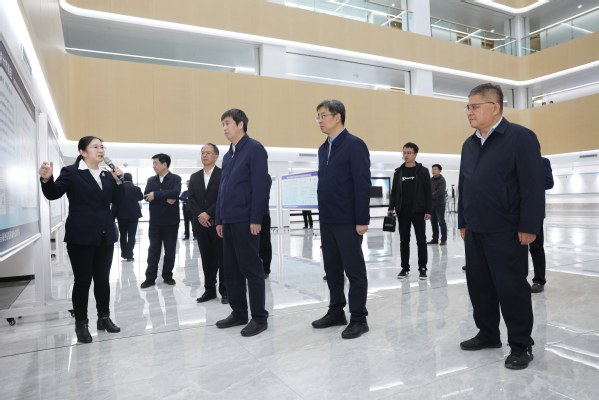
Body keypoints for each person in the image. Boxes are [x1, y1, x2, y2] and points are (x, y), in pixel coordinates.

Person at [458, 83, 544, 370]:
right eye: (468, 107)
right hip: (475, 228)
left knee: (511, 288)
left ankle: (520, 344)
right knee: (479, 285)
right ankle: (488, 333)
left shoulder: (520, 137)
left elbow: (533, 185)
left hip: (507, 228)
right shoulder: (469, 144)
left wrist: (529, 224)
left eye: (474, 106)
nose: (469, 112)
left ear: (494, 107)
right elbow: (464, 184)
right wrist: (463, 221)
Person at [39, 136, 124, 343]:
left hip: (105, 233)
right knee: (83, 280)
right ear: (82, 152)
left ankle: (104, 318)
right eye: (95, 147)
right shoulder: (71, 172)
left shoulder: (107, 174)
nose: (100, 150)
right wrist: (47, 180)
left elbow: (117, 200)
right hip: (81, 234)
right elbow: (53, 194)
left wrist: (118, 181)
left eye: (102, 147)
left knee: (103, 280)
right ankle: (81, 324)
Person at [311, 99, 371, 339]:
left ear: (337, 117)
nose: (320, 120)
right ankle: (336, 311)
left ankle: (359, 318)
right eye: (318, 116)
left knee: (354, 271)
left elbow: (362, 184)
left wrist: (362, 219)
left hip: (348, 220)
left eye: (323, 115)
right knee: (332, 269)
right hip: (327, 219)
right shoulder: (322, 148)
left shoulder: (354, 145)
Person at [215, 109, 271, 337]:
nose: (224, 128)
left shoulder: (254, 148)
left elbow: (260, 186)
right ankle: (239, 312)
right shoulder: (228, 155)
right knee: (231, 268)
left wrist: (256, 218)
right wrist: (219, 218)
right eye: (222, 124)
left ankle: (259, 317)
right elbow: (222, 190)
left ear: (240, 124)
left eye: (227, 123)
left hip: (245, 219)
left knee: (251, 268)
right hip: (228, 220)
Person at [188, 143, 227, 304]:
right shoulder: (195, 177)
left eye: (208, 152)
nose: (204, 155)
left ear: (216, 156)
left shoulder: (223, 174)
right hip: (200, 224)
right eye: (202, 152)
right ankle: (209, 290)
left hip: (218, 224)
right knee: (206, 259)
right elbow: (191, 199)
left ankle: (225, 291)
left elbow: (223, 197)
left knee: (222, 258)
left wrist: (208, 214)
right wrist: (201, 215)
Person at [388, 143, 432, 281]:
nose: (406, 155)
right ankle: (404, 268)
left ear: (415, 154)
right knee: (404, 241)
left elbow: (428, 192)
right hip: (403, 212)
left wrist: (428, 210)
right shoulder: (398, 172)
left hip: (419, 211)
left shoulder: (423, 171)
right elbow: (394, 192)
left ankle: (422, 268)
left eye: (409, 152)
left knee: (421, 241)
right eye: (404, 153)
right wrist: (391, 207)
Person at [140, 154, 182, 288]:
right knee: (153, 251)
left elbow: (175, 193)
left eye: (156, 163)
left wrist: (155, 195)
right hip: (155, 222)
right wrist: (164, 199)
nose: (154, 166)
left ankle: (167, 276)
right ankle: (150, 278)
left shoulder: (175, 178)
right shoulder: (151, 180)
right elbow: (146, 197)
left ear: (165, 164)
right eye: (153, 163)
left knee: (170, 251)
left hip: (171, 222)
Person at [530, 157, 554, 293]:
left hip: (534, 212)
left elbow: (549, 183)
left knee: (536, 247)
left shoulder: (542, 161)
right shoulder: (514, 161)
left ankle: (539, 280)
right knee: (516, 249)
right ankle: (518, 278)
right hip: (514, 212)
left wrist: (527, 183)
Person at [111, 172, 143, 262]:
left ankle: (124, 253)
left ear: (123, 179)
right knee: (132, 235)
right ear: (131, 179)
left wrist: (112, 217)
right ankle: (129, 255)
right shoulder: (136, 188)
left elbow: (115, 203)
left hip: (121, 215)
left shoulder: (118, 188)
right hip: (133, 215)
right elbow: (141, 198)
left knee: (123, 235)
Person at [428, 164, 447, 246]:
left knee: (441, 222)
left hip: (439, 204)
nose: (433, 171)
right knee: (433, 222)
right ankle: (435, 239)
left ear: (440, 171)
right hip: (431, 205)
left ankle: (443, 239)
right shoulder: (430, 180)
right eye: (433, 169)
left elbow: (439, 192)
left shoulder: (442, 180)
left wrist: (429, 197)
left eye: (435, 169)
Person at [260, 176, 273, 279]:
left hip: (263, 215)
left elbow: (263, 196)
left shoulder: (266, 177)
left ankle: (266, 270)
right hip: (250, 216)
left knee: (265, 243)